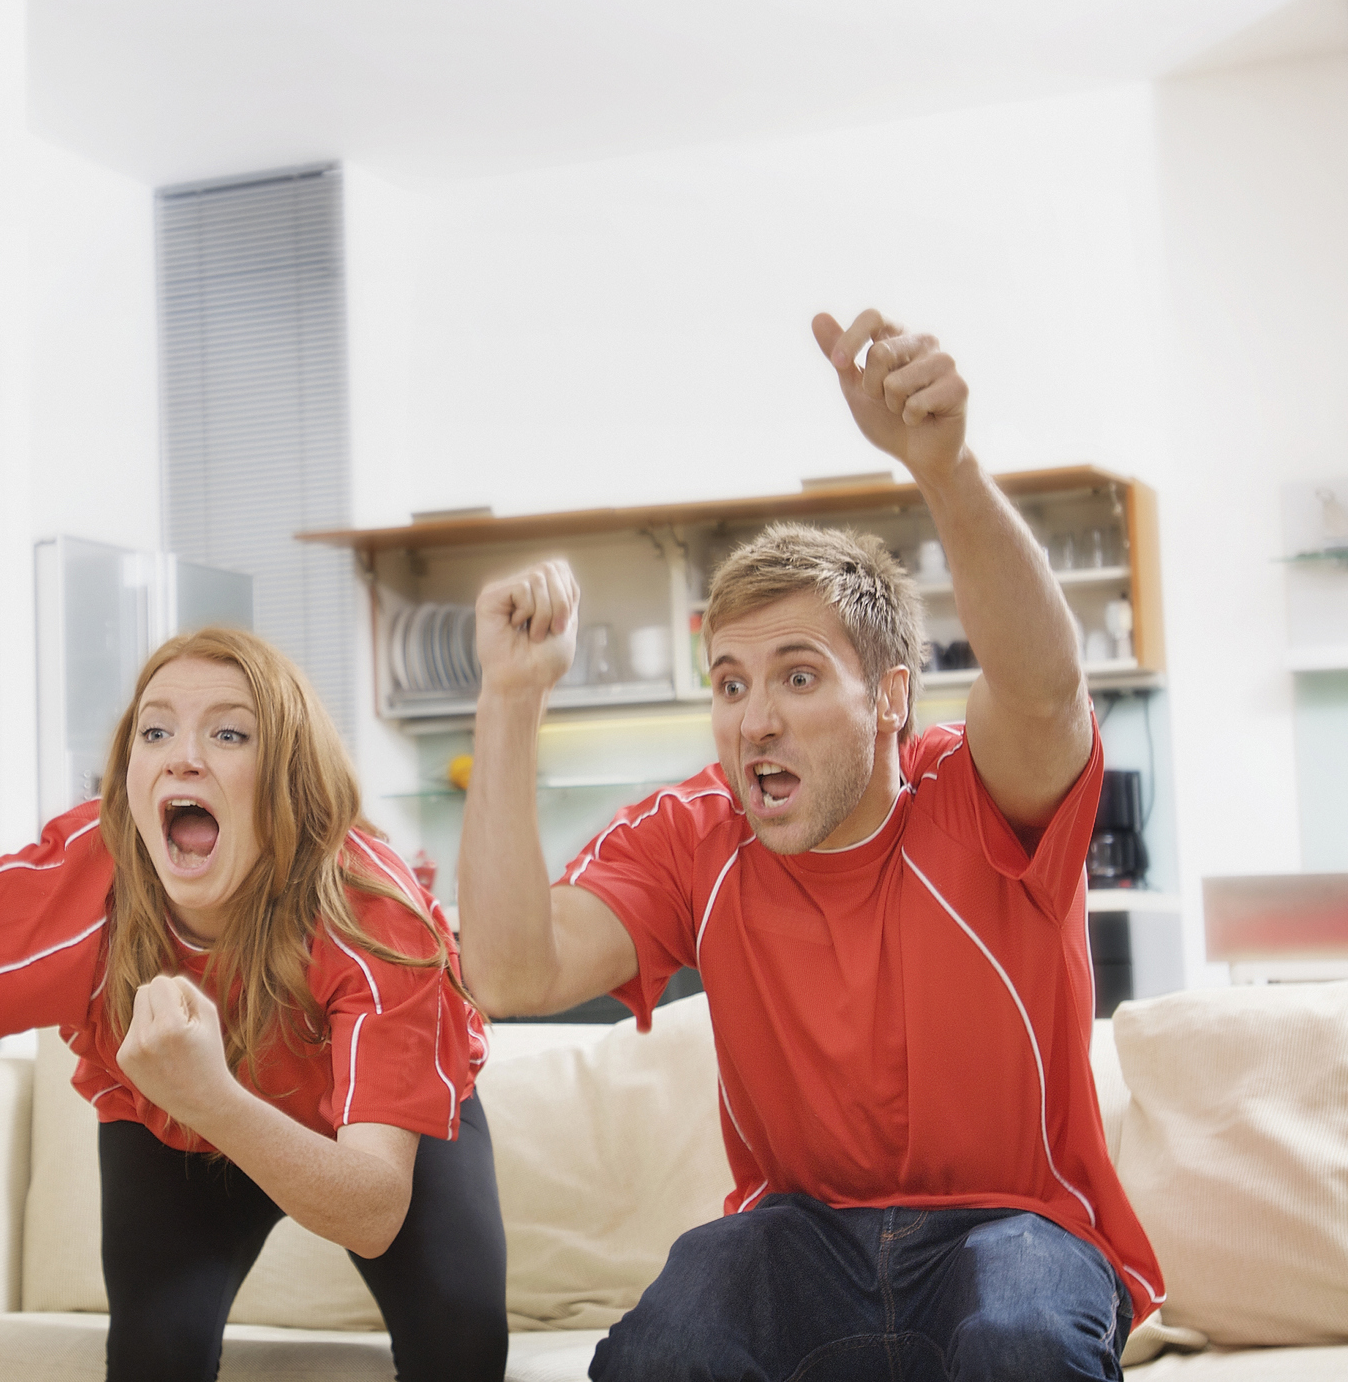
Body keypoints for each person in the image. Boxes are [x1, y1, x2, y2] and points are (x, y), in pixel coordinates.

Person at [459, 310, 1164, 1381]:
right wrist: (509, 703)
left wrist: (948, 468)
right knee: (669, 1344)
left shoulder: (973, 792)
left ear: (888, 699)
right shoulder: (695, 832)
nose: (754, 721)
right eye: (731, 684)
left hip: (1015, 1228)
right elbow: (511, 970)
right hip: (801, 1240)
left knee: (1018, 1337)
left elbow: (1044, 684)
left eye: (796, 675)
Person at [0, 627, 507, 1382]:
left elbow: (370, 1213)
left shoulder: (376, 917)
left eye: (228, 733)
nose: (182, 755)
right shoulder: (85, 882)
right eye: (154, 730)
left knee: (462, 1345)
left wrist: (214, 1097)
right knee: (155, 1355)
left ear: (290, 781)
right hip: (173, 1131)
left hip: (356, 1144)